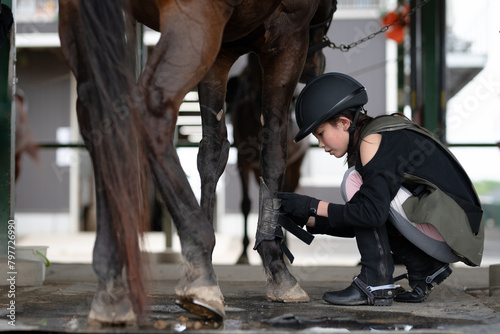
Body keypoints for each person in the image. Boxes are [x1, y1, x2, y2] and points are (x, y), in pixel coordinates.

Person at [276, 72, 484, 306]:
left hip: (453, 234)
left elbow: (371, 215)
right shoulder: (378, 135)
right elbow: (372, 222)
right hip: (452, 233)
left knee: (353, 181)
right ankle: (424, 266)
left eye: (321, 134)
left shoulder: (371, 141)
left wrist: (313, 205)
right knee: (367, 196)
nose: (321, 145)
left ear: (344, 123)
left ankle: (375, 282)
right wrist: (311, 219)